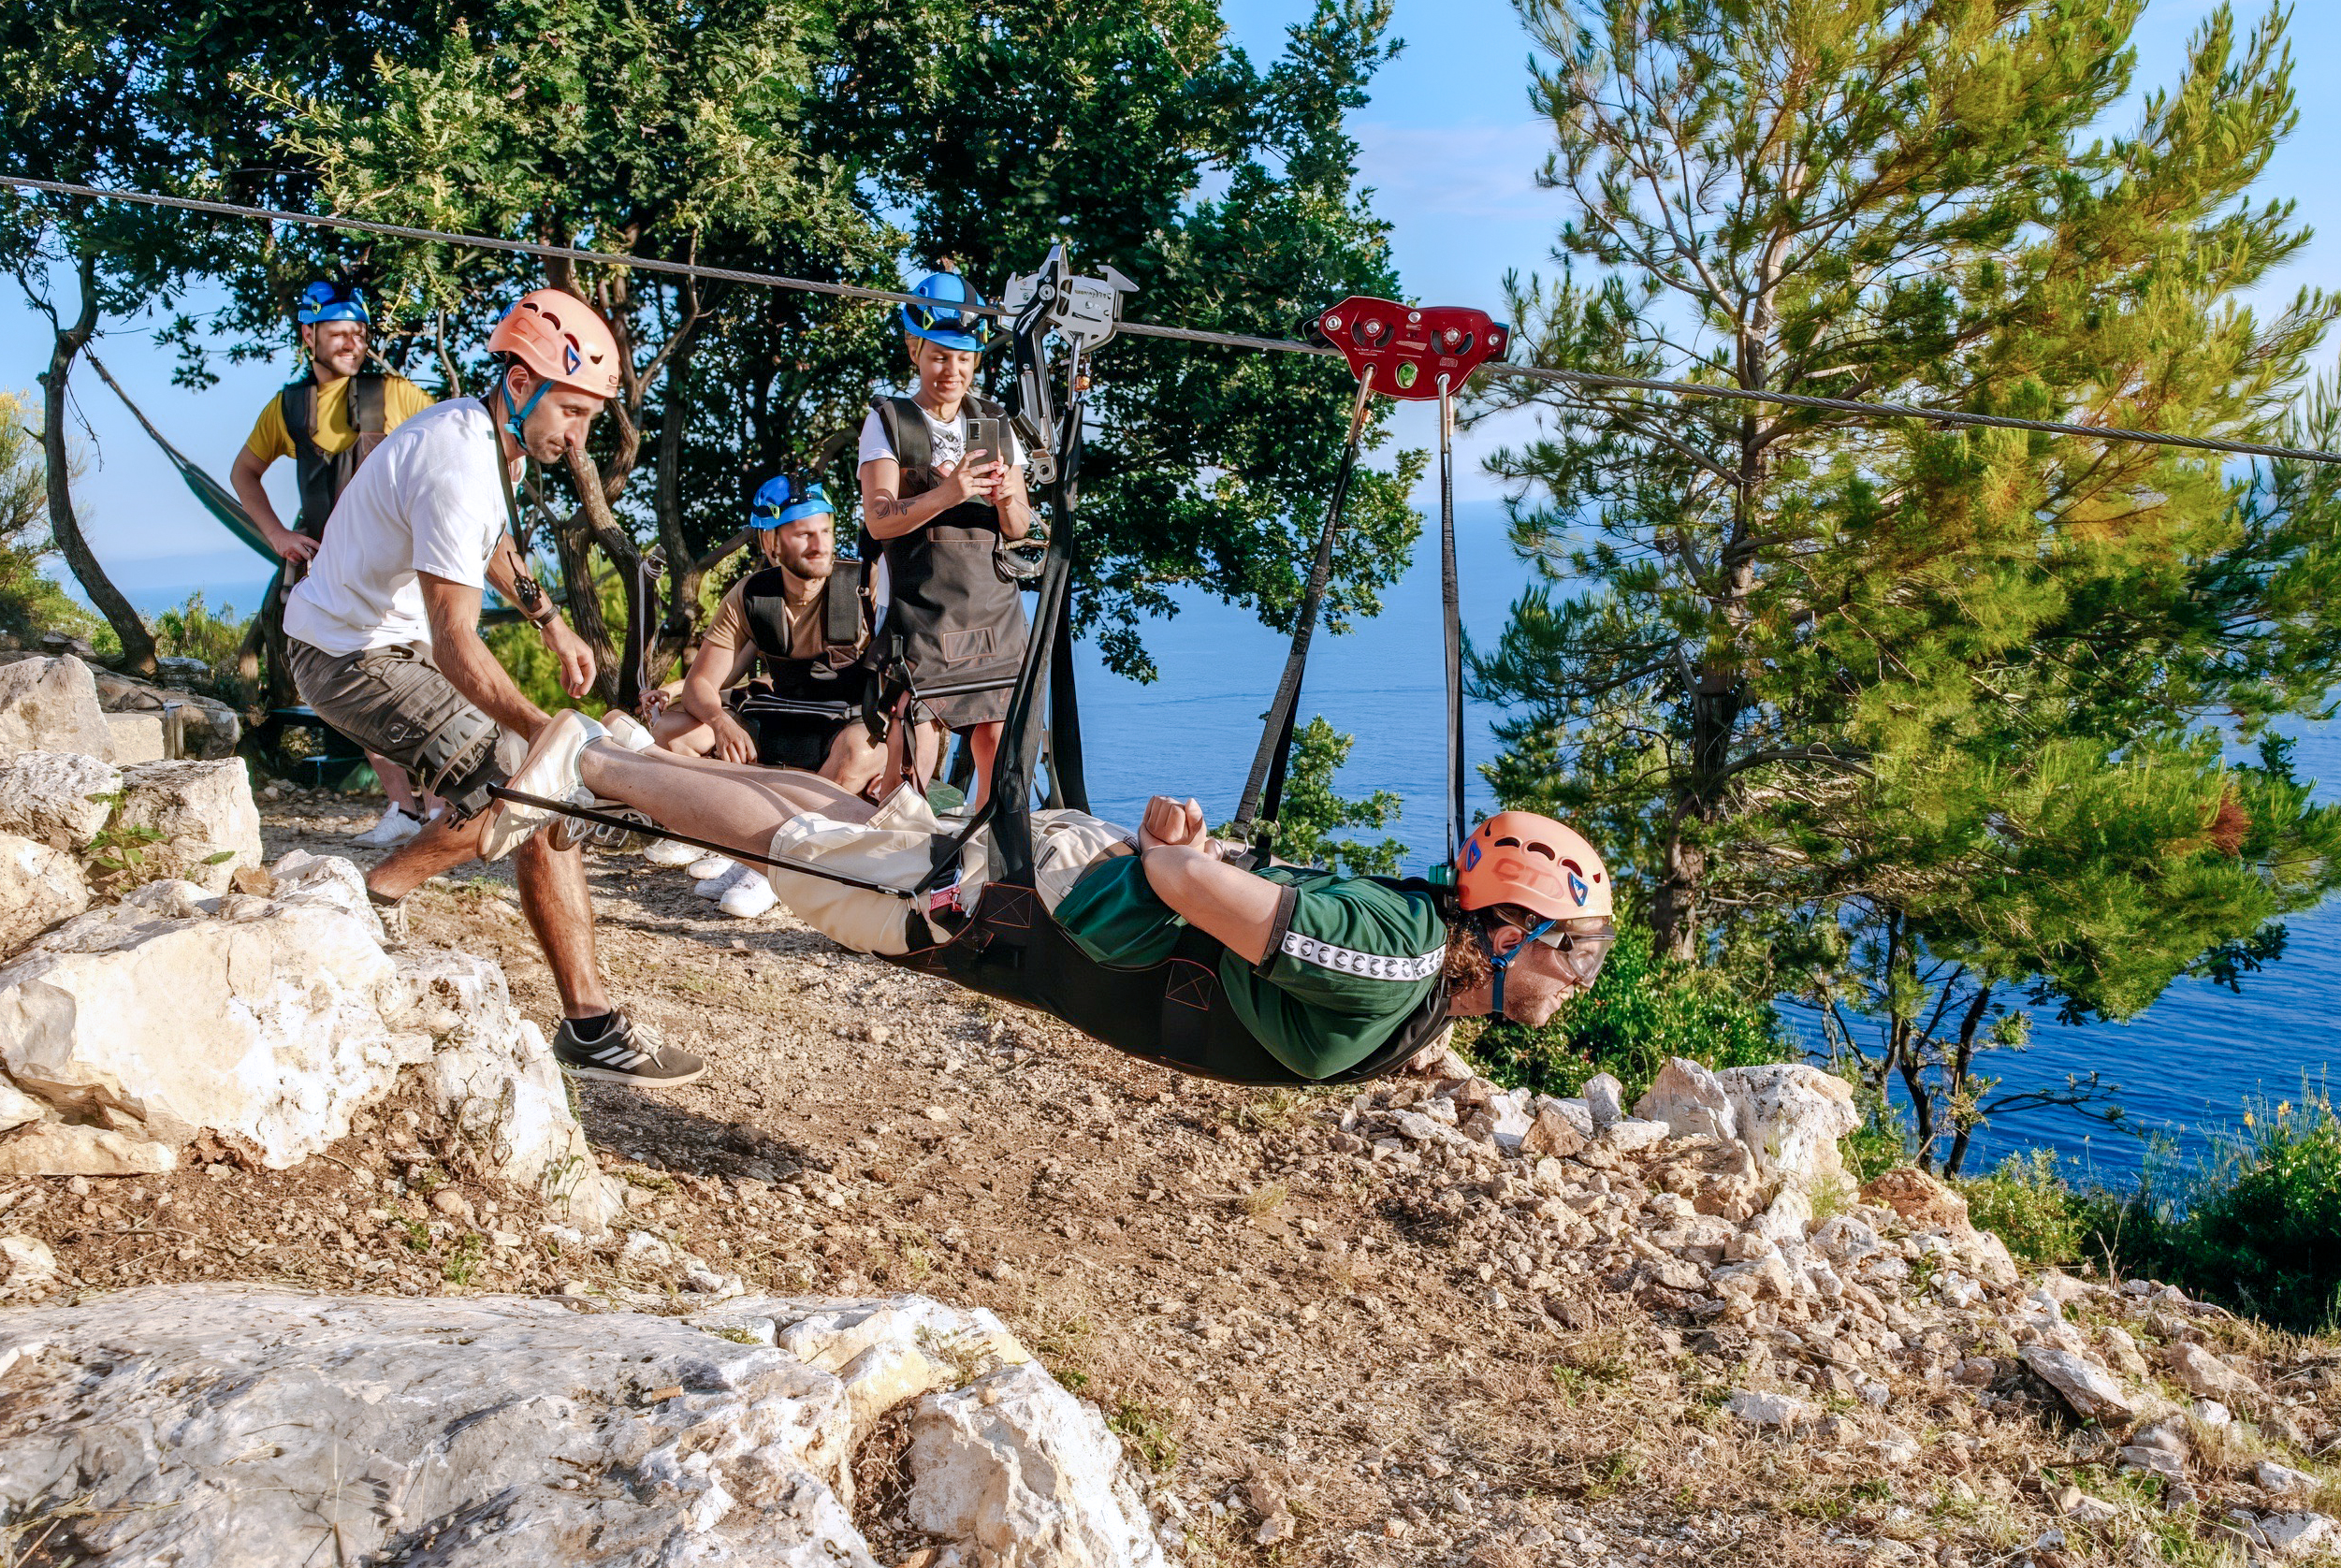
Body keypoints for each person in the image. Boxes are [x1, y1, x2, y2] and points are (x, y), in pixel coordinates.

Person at [485, 709, 1617, 1083]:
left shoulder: (1412, 963)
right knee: (810, 857)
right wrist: (1187, 859)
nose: (1581, 981)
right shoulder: (1394, 959)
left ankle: (631, 755)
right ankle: (590, 767)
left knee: (848, 826)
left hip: (1065, 896)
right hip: (1033, 910)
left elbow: (1216, 907)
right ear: (1510, 928)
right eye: (1576, 953)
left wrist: (1192, 862)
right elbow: (1185, 885)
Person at [281, 288, 706, 1088]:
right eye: (574, 414)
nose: (578, 438)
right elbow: (455, 647)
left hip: (382, 643)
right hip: (348, 656)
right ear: (521, 386)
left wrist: (549, 618)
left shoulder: (490, 443)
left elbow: (490, 542)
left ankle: (576, 1017)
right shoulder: (455, 458)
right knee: (534, 784)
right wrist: (556, 733)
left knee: (538, 793)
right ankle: (394, 899)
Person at [228, 280, 440, 849]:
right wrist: (278, 535)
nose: (352, 342)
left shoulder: (392, 394)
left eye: (360, 332)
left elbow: (454, 451)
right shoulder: (288, 407)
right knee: (351, 698)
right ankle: (405, 808)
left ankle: (448, 809)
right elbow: (243, 472)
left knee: (430, 689)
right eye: (339, 332)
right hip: (332, 574)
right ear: (309, 335)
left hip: (400, 574)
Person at [647, 475, 885, 917]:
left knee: (861, 749)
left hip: (845, 723)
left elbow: (912, 672)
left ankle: (774, 867)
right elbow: (702, 683)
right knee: (674, 732)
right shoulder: (751, 595)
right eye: (802, 534)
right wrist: (721, 723)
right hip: (783, 713)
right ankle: (736, 848)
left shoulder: (866, 586)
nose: (818, 545)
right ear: (771, 541)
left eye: (825, 531)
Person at [857, 272, 1033, 808]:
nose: (950, 370)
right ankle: (895, 859)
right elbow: (879, 521)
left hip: (991, 603)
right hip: (921, 604)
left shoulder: (992, 423)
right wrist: (950, 491)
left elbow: (1021, 527)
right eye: (938, 355)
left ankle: (983, 856)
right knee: (914, 739)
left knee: (997, 739)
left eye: (963, 357)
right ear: (915, 350)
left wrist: (1005, 498)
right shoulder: (891, 421)